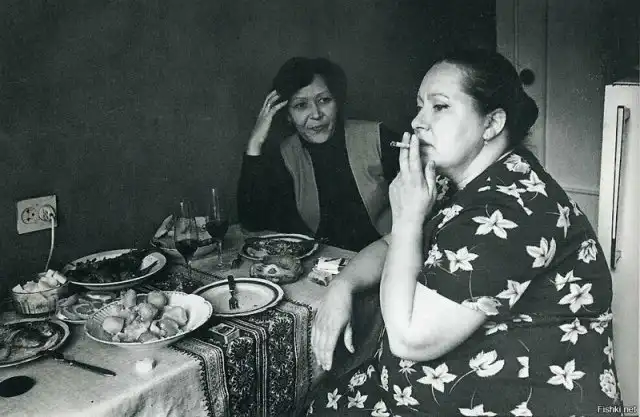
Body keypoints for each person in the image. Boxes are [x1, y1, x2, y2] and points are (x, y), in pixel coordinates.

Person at [304, 48, 623, 416]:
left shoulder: (511, 208)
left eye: (439, 107)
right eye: (420, 106)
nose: (417, 122)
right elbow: (392, 246)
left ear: (492, 124)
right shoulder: (458, 182)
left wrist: (406, 218)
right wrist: (343, 285)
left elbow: (409, 340)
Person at [237, 57, 402, 251]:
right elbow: (252, 223)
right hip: (321, 264)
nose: (316, 114)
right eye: (301, 105)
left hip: (388, 256)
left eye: (324, 100)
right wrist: (255, 143)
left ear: (337, 102)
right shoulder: (285, 155)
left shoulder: (378, 137)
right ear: (288, 115)